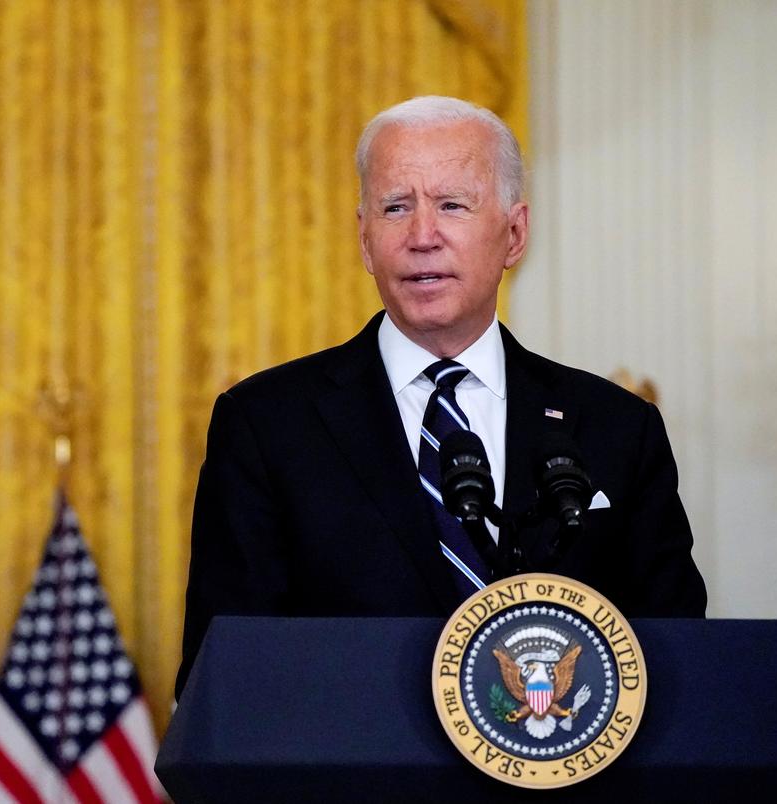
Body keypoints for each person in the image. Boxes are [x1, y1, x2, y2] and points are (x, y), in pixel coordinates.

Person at [175, 96, 706, 697]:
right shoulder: (265, 426)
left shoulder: (617, 429)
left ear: (514, 233)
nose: (422, 236)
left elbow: (678, 662)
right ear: (364, 239)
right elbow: (221, 680)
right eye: (395, 207)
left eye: (453, 205)